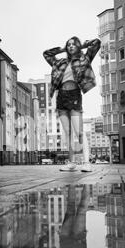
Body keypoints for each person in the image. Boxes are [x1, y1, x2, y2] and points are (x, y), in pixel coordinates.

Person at [43, 36, 101, 172]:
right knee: (67, 133)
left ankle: (87, 163)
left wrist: (82, 45)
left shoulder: (84, 59)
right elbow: (47, 54)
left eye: (73, 44)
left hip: (74, 95)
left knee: (79, 131)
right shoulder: (60, 62)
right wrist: (62, 48)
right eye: (68, 45)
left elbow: (96, 43)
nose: (70, 46)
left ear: (78, 46)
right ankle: (72, 163)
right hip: (61, 98)